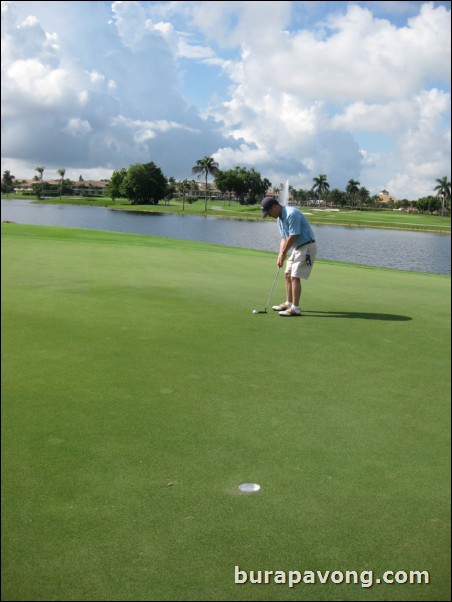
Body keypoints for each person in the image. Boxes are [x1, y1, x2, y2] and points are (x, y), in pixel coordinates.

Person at [261, 196, 316, 317]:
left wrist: (285, 253)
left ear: (275, 207)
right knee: (287, 274)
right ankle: (289, 303)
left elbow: (293, 236)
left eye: (269, 212)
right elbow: (284, 238)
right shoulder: (279, 219)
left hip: (307, 247)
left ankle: (295, 308)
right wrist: (280, 254)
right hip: (298, 248)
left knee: (295, 276)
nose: (269, 215)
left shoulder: (292, 214)